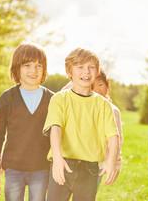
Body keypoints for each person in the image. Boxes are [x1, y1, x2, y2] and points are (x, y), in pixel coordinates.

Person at [43, 48, 119, 201]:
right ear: (68, 71)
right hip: (62, 163)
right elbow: (55, 129)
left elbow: (113, 136)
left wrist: (111, 162)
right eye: (80, 67)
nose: (86, 72)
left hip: (89, 169)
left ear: (97, 71)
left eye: (91, 67)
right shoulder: (59, 99)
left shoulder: (103, 105)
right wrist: (57, 158)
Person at [0, 42, 54, 201]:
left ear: (44, 69)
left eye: (38, 65)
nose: (33, 70)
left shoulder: (52, 99)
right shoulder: (7, 98)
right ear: (17, 68)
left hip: (41, 169)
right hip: (13, 168)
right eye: (27, 65)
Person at [62, 69, 123, 186]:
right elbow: (63, 94)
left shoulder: (113, 111)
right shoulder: (80, 104)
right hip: (72, 159)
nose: (97, 90)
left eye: (100, 84)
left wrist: (116, 164)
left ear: (107, 83)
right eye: (92, 86)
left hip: (96, 164)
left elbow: (117, 140)